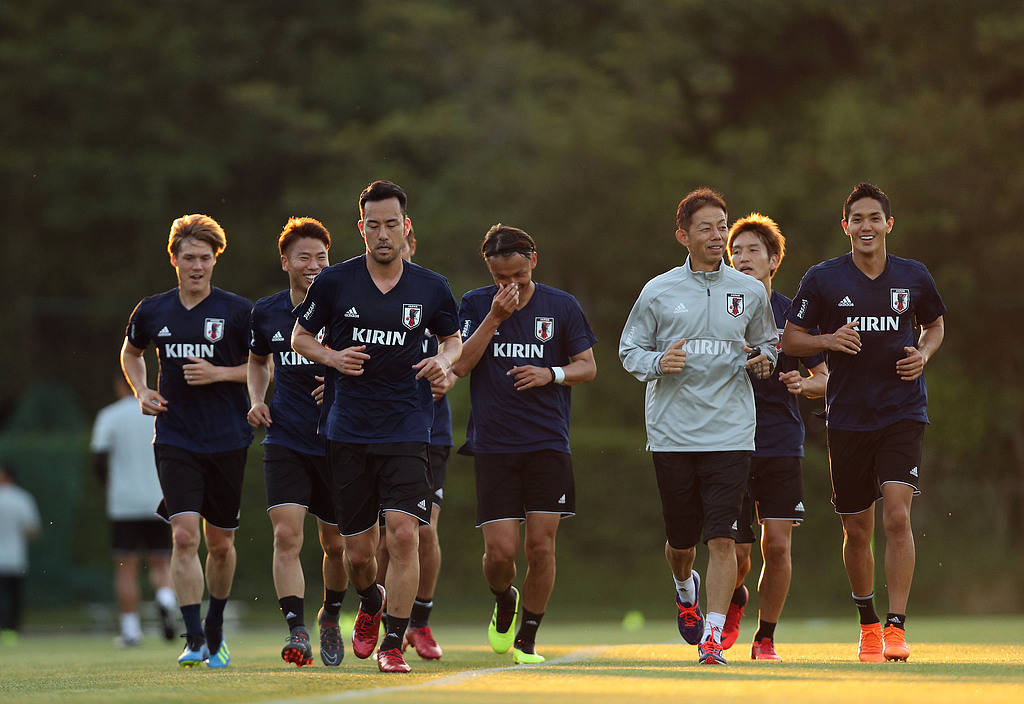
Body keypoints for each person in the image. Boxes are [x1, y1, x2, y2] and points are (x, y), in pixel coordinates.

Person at [291, 180, 461, 674]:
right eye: (373, 225)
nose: (382, 233)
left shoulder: (431, 286)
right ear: (360, 229)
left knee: (405, 534)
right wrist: (332, 356)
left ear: (406, 228)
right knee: (358, 553)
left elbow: (451, 340)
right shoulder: (335, 283)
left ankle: (393, 641)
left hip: (409, 428)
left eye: (391, 224)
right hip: (347, 430)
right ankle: (369, 600)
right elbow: (300, 336)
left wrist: (443, 363)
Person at [782, 183, 945, 663]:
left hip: (902, 413)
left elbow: (934, 324)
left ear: (889, 224)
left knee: (897, 515)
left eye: (875, 218)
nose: (866, 226)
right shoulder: (823, 279)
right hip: (847, 418)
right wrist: (829, 339)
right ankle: (868, 623)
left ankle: (896, 627)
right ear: (845, 225)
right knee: (857, 528)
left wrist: (925, 354)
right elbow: (791, 339)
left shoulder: (913, 276)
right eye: (858, 219)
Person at [619, 187, 778, 666]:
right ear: (683, 235)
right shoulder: (659, 290)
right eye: (706, 227)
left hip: (731, 431)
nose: (717, 235)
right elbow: (629, 350)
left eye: (721, 225)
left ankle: (712, 636)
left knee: (724, 538)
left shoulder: (750, 291)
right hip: (672, 433)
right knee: (682, 542)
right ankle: (683, 587)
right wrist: (657, 361)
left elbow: (767, 342)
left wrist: (765, 361)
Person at [452, 224, 597, 665]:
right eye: (500, 277)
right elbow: (459, 365)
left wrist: (549, 374)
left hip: (547, 443)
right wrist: (494, 317)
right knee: (500, 554)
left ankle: (528, 640)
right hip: (493, 444)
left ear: (533, 260)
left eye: (516, 275)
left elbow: (587, 367)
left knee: (540, 545)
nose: (509, 285)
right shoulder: (476, 304)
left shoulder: (562, 306)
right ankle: (503, 600)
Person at [120, 214, 252, 668]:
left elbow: (262, 369)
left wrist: (220, 373)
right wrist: (141, 391)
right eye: (189, 258)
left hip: (229, 439)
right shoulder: (153, 310)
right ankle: (194, 636)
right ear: (174, 259)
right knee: (182, 536)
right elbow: (131, 353)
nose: (197, 266)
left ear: (215, 261)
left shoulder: (237, 312)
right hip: (175, 438)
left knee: (219, 543)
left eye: (206, 258)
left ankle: (216, 628)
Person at [724, 213, 829, 660]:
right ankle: (731, 600)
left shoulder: (794, 315)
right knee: (737, 552)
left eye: (753, 251)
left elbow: (825, 377)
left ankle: (765, 638)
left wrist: (804, 386)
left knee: (778, 544)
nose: (743, 258)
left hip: (781, 441)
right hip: (729, 439)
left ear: (773, 260)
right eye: (736, 251)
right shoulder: (719, 309)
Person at [247, 217, 348, 668]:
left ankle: (331, 616)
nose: (313, 265)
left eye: (321, 257)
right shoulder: (266, 311)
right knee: (287, 535)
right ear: (285, 261)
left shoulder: (348, 306)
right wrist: (256, 398)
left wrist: (342, 386)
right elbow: (257, 360)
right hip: (285, 436)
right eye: (304, 257)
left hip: (339, 438)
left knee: (336, 544)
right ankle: (297, 630)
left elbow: (376, 360)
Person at [375, 226, 449, 661]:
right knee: (379, 539)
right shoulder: (366, 299)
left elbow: (456, 351)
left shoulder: (432, 292)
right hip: (374, 431)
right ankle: (383, 615)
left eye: (398, 236)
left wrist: (446, 373)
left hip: (428, 432)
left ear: (411, 244)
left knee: (421, 529)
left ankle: (418, 620)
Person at [91, 375, 178, 647]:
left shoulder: (110, 415)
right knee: (162, 564)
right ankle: (165, 600)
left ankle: (131, 631)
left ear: (120, 384)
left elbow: (99, 460)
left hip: (124, 502)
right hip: (159, 498)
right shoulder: (163, 408)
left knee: (125, 568)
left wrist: (110, 487)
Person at [0, 462, 40, 646]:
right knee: (14, 596)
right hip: (15, 557)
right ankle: (13, 631)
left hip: (10, 558)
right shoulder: (23, 498)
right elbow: (32, 530)